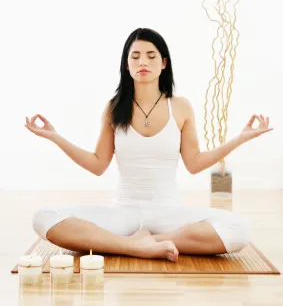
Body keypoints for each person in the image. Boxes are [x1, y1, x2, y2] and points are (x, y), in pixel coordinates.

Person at [25, 28, 273, 262]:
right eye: (135, 57)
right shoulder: (114, 109)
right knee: (43, 218)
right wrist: (54, 136)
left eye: (151, 56)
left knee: (239, 229)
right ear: (127, 64)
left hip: (168, 213)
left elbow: (195, 163)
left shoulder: (180, 107)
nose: (143, 62)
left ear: (163, 63)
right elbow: (97, 164)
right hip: (122, 214)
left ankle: (150, 241)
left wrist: (241, 138)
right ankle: (135, 247)